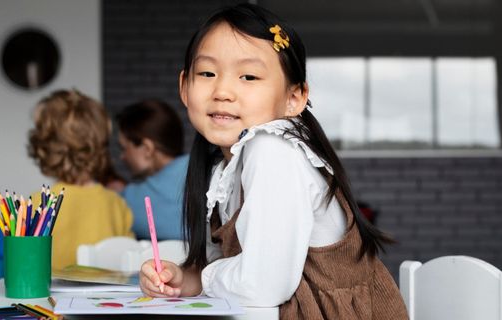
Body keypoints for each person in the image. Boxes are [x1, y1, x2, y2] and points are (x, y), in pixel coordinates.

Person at [139, 4, 408, 319]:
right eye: (207, 73)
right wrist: (181, 279)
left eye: (249, 76)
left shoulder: (272, 150)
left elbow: (263, 284)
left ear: (294, 98)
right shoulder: (223, 169)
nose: (223, 91)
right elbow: (234, 275)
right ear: (184, 87)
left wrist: (207, 276)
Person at [28, 89, 134, 270]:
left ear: (44, 149)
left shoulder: (38, 205)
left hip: (49, 297)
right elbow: (129, 262)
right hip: (103, 297)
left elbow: (26, 264)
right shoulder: (116, 204)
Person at [113, 100, 189, 240]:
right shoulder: (207, 171)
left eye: (124, 148)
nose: (122, 157)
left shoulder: (131, 199)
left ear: (147, 148)